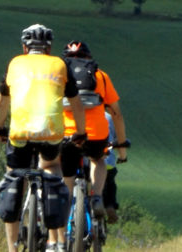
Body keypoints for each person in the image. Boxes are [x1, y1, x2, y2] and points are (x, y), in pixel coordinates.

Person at [0, 24, 87, 252]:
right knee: (52, 166)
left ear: (24, 47)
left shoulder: (15, 64)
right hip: (51, 132)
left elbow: (2, 102)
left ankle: (12, 248)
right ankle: (55, 238)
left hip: (20, 133)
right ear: (50, 47)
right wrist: (81, 133)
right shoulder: (59, 65)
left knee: (14, 175)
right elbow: (76, 104)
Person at [55, 40, 128, 244]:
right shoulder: (101, 76)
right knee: (98, 160)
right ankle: (96, 196)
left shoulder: (58, 77)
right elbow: (117, 115)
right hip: (95, 135)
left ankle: (65, 209)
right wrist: (122, 148)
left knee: (66, 176)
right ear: (89, 58)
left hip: (66, 134)